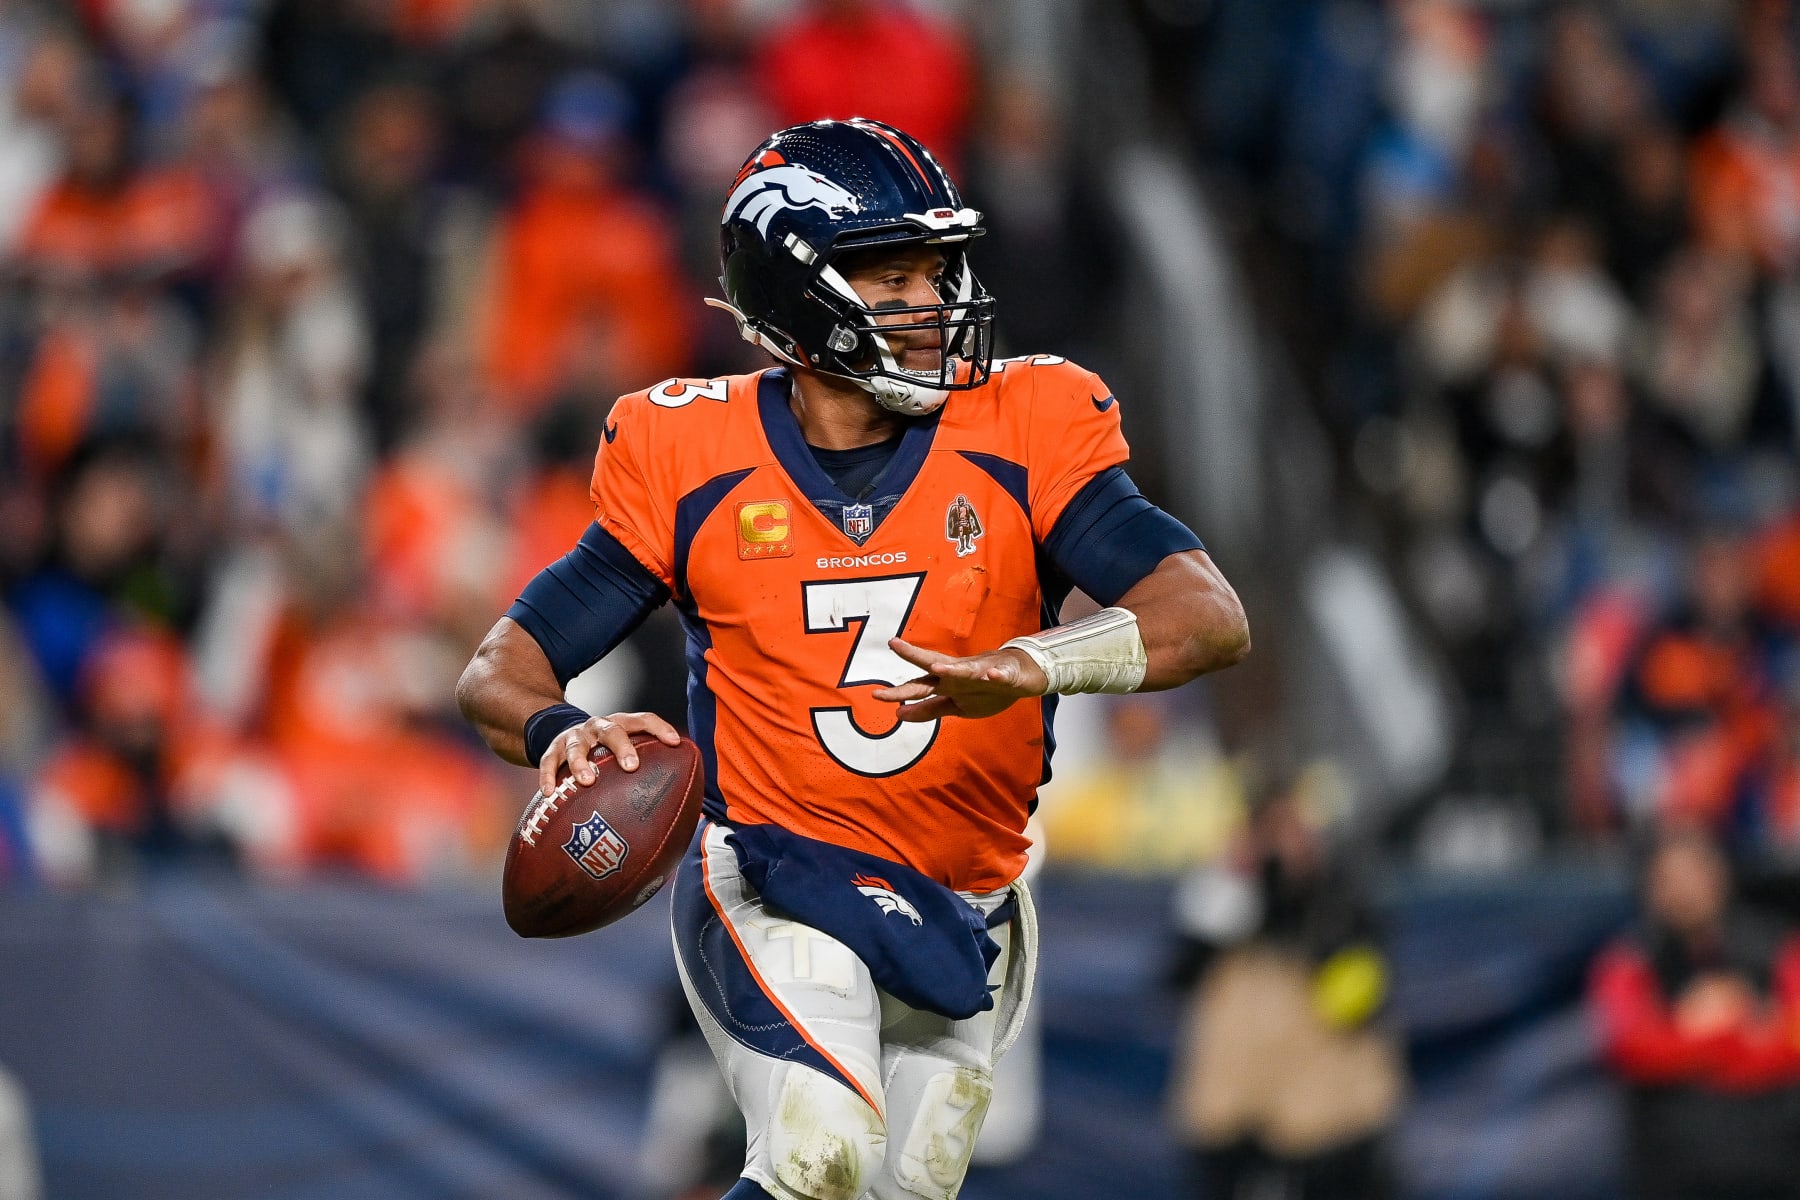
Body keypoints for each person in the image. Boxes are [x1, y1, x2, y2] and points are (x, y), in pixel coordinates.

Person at [458, 117, 1251, 1200]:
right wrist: (561, 727)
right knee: (820, 1152)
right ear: (795, 294)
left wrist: (1039, 662)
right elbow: (499, 669)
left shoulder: (1026, 423)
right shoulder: (689, 454)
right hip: (776, 877)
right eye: (891, 276)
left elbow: (1208, 615)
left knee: (891, 1190)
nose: (932, 301)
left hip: (967, 897)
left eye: (937, 269)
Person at [1589, 824, 1800, 1200]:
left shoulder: (1779, 947)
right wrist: (1732, 1031)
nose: (1683, 889)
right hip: (1674, 1171)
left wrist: (1719, 1028)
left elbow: (1794, 1039)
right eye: (1668, 877)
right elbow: (1628, 1048)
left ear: (1720, 874)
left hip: (1773, 1167)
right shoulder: (1628, 961)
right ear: (1650, 889)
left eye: (1694, 871)